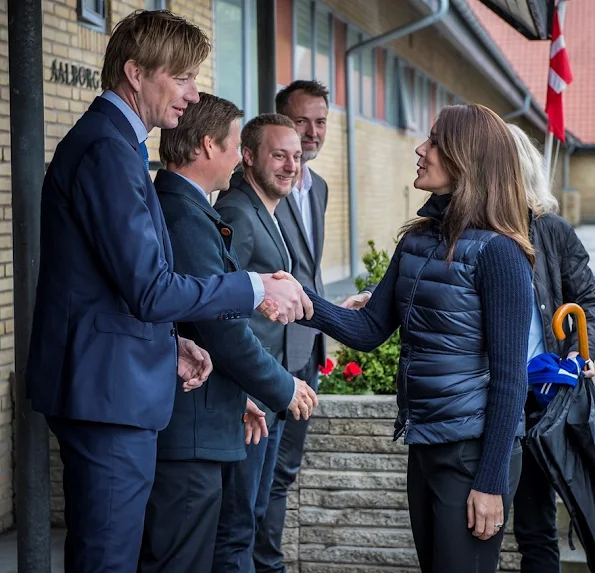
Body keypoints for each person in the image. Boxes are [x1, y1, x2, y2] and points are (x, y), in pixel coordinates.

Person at [26, 10, 311, 573]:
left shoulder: (119, 144)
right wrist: (253, 287)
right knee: (109, 560)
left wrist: (170, 344)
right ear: (136, 72)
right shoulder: (108, 148)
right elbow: (151, 288)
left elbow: (112, 284)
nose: (192, 93)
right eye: (181, 77)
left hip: (114, 384)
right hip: (107, 395)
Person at [275, 103, 535, 572]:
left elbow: (511, 380)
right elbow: (369, 328)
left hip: (472, 454)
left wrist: (491, 481)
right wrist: (304, 302)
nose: (421, 149)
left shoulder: (501, 254)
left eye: (434, 141)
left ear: (464, 157)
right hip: (426, 443)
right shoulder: (417, 240)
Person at [138, 95, 318, 573]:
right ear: (206, 146)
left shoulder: (192, 210)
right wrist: (279, 386)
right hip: (190, 424)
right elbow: (217, 323)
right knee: (190, 556)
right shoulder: (186, 215)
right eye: (238, 145)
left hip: (215, 410)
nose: (241, 157)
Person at [212, 113, 311, 572]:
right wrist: (247, 388)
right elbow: (220, 307)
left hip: (267, 387)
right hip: (246, 393)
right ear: (248, 157)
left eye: (296, 156)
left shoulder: (265, 208)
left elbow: (270, 296)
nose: (291, 165)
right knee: (236, 524)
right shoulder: (237, 211)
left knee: (252, 513)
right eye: (279, 155)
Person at [507, 123, 595, 573]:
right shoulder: (467, 232)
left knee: (536, 527)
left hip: (541, 400)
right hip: (487, 398)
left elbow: (588, 299)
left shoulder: (553, 231)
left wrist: (582, 352)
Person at [252, 80, 330, 572]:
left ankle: (266, 560)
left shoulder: (317, 186)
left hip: (307, 348)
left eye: (320, 122)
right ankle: (266, 564)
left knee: (284, 472)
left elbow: (309, 272)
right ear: (282, 121)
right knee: (262, 475)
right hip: (268, 352)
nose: (311, 133)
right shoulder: (259, 187)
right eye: (301, 122)